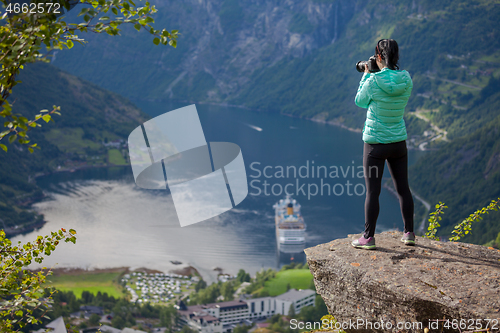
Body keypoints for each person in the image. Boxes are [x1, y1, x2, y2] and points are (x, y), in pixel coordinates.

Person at [351, 39, 415, 250]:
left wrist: (367, 74)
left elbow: (360, 101)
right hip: (398, 141)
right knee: (403, 188)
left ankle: (368, 237)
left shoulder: (372, 81)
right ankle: (409, 233)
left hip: (375, 143)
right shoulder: (406, 79)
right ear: (396, 57)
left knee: (373, 192)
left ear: (378, 57)